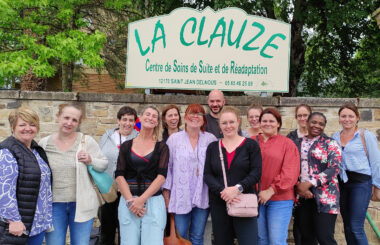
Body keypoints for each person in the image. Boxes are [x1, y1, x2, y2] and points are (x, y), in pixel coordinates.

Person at [39, 103, 108, 245]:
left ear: (78, 123)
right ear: (58, 117)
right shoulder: (44, 144)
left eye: (74, 120)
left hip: (81, 204)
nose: (69, 123)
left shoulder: (86, 141)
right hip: (54, 206)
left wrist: (91, 160)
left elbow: (103, 164)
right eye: (66, 117)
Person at [204, 106, 262, 245]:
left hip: (244, 202)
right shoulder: (213, 147)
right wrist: (222, 192)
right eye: (224, 123)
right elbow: (207, 174)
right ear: (219, 125)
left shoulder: (250, 145)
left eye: (231, 122)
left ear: (238, 122)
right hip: (219, 203)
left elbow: (256, 172)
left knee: (248, 241)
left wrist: (237, 188)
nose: (228, 126)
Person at [163, 104, 217, 245]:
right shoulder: (174, 139)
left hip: (202, 194)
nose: (195, 117)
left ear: (203, 119)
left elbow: (216, 166)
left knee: (197, 236)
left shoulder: (210, 139)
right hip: (181, 194)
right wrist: (166, 194)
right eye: (192, 113)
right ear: (185, 117)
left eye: (199, 114)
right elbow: (167, 168)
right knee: (180, 235)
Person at [115, 106, 169, 245]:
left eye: (154, 116)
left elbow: (161, 176)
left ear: (157, 122)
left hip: (153, 202)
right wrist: (131, 201)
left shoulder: (162, 147)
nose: (150, 118)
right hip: (128, 202)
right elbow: (119, 175)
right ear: (141, 117)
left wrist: (141, 200)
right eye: (147, 114)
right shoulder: (126, 146)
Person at [0, 107, 52, 245]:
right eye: (22, 125)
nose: (27, 128)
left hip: (37, 224)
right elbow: (4, 190)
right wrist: (13, 220)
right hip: (17, 226)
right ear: (12, 127)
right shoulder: (7, 151)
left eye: (32, 124)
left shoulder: (36, 149)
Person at [332, 103, 380, 245]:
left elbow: (376, 162)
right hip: (342, 184)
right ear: (339, 118)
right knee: (347, 226)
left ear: (357, 118)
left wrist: (376, 185)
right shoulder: (335, 137)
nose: (347, 119)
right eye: (344, 116)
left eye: (351, 116)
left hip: (361, 183)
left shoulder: (366, 136)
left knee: (355, 226)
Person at [294, 112, 341, 245]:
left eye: (321, 124)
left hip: (326, 197)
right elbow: (290, 167)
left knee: (325, 237)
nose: (317, 126)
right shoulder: (297, 143)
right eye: (314, 122)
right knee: (306, 238)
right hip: (302, 196)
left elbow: (334, 168)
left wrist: (310, 183)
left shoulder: (330, 143)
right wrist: (299, 186)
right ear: (307, 123)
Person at [256, 107, 300, 245]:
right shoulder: (251, 142)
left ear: (278, 124)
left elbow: (290, 172)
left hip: (280, 199)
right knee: (260, 240)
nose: (267, 123)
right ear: (259, 123)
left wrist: (271, 190)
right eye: (264, 121)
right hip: (256, 199)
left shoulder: (287, 144)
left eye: (271, 121)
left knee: (277, 241)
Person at [98, 106, 139, 245]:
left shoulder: (138, 138)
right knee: (106, 229)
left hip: (128, 191)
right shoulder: (107, 136)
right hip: (108, 190)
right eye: (124, 119)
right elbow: (99, 157)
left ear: (135, 122)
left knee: (126, 229)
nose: (127, 123)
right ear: (118, 120)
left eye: (131, 120)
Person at [286, 103, 311, 245]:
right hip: (295, 186)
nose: (302, 118)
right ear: (296, 118)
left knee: (311, 225)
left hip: (313, 186)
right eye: (299, 115)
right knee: (299, 222)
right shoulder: (290, 137)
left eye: (305, 115)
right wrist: (297, 184)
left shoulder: (318, 135)